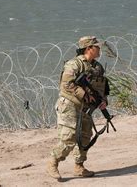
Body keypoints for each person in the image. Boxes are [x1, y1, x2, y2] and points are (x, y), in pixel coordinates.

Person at [47, 36, 108, 180]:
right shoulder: (74, 64)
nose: (99, 49)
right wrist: (84, 94)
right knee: (69, 137)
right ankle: (53, 162)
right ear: (88, 48)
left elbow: (102, 86)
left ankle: (79, 166)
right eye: (96, 47)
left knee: (85, 136)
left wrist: (103, 100)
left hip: (86, 108)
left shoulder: (97, 67)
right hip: (69, 104)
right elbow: (66, 84)